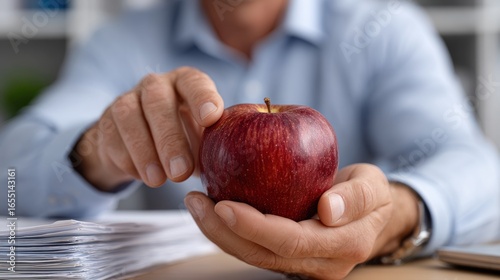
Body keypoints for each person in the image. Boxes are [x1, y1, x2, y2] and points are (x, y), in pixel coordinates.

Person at [1, 0, 499, 278]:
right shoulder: (119, 43)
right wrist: (97, 149)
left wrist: (399, 213)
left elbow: (479, 168)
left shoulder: (382, 28)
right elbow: (10, 173)